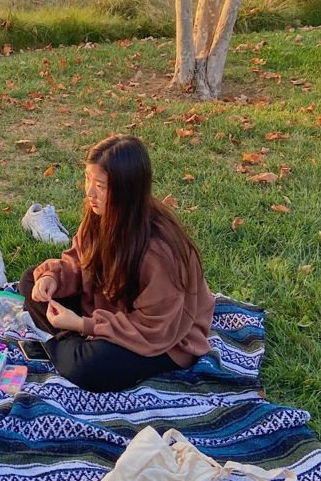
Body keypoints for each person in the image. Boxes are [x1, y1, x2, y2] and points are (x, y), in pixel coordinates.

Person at [18, 135, 215, 393]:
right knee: (30, 280)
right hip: (108, 310)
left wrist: (82, 325)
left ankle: (67, 343)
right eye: (88, 179)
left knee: (89, 367)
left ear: (126, 189)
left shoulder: (160, 251)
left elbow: (154, 327)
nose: (89, 192)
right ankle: (74, 342)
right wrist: (53, 278)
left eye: (100, 185)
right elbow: (79, 260)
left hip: (162, 337)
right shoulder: (100, 214)